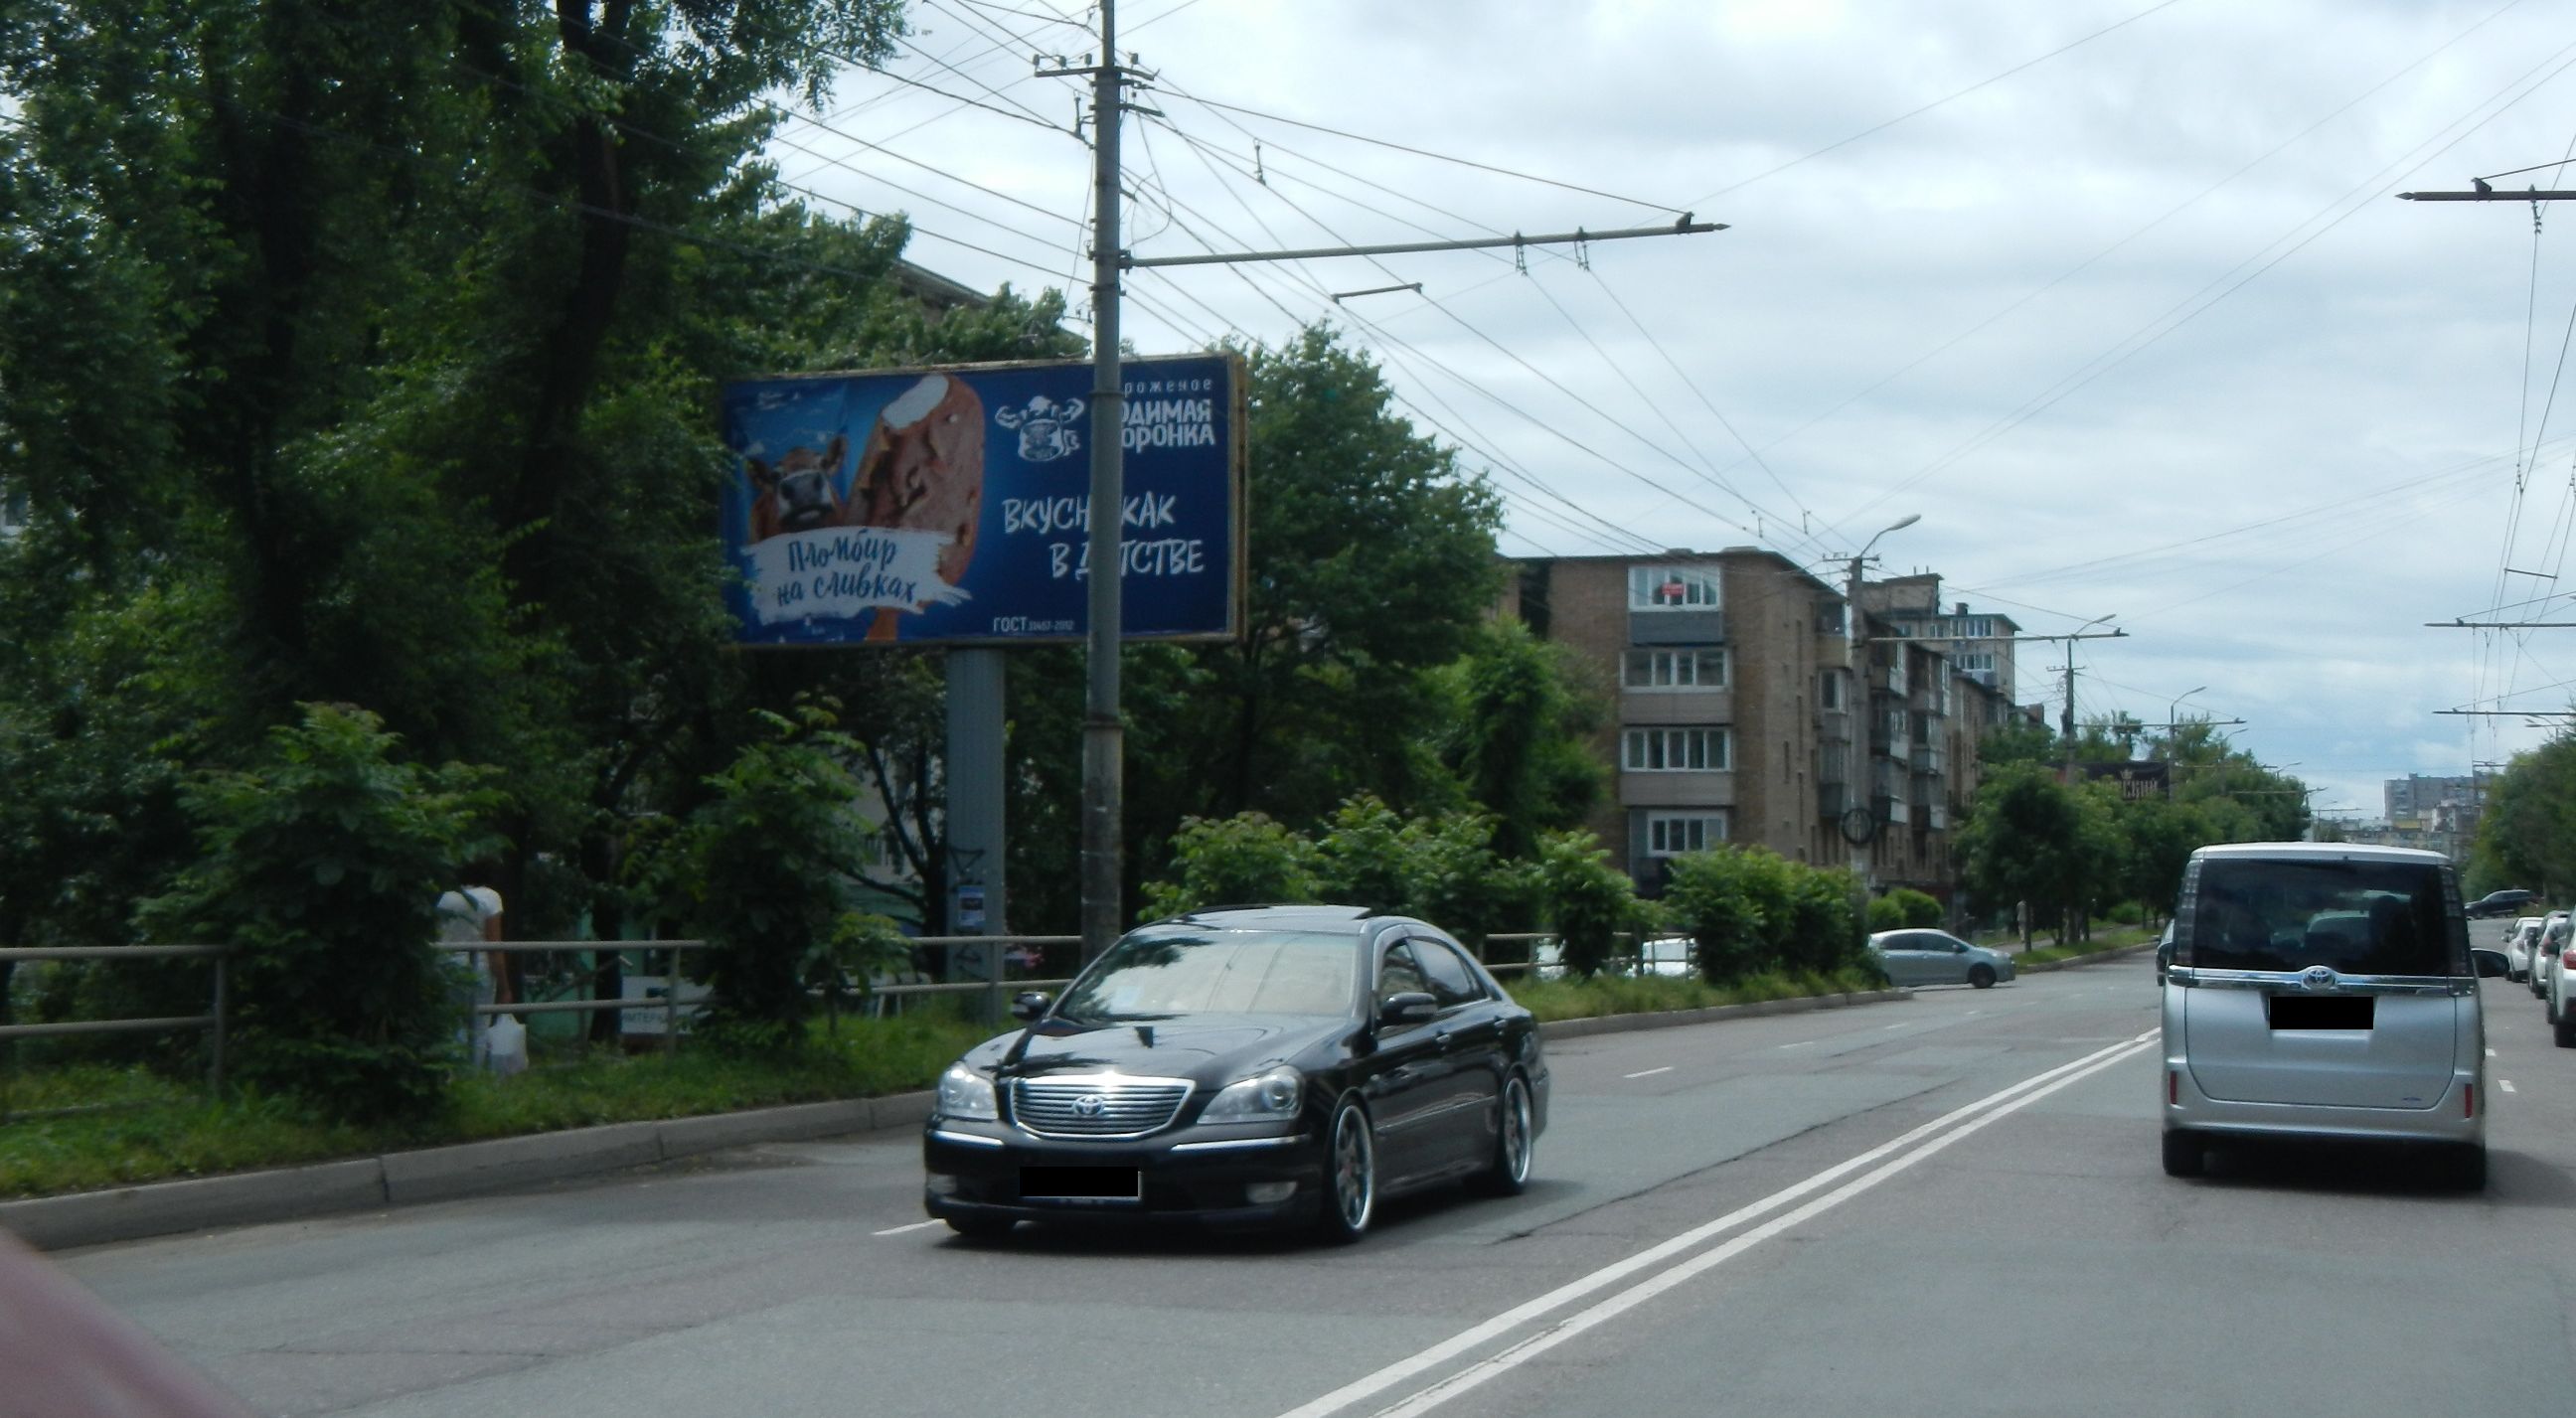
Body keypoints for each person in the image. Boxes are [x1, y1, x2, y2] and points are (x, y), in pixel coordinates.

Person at [436, 885, 523, 1075]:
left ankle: (451, 1075)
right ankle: (472, 1078)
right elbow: (494, 947)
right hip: (478, 967)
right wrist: (505, 987)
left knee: (453, 1024)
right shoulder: (490, 897)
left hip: (447, 965)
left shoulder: (446, 896)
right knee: (479, 1026)